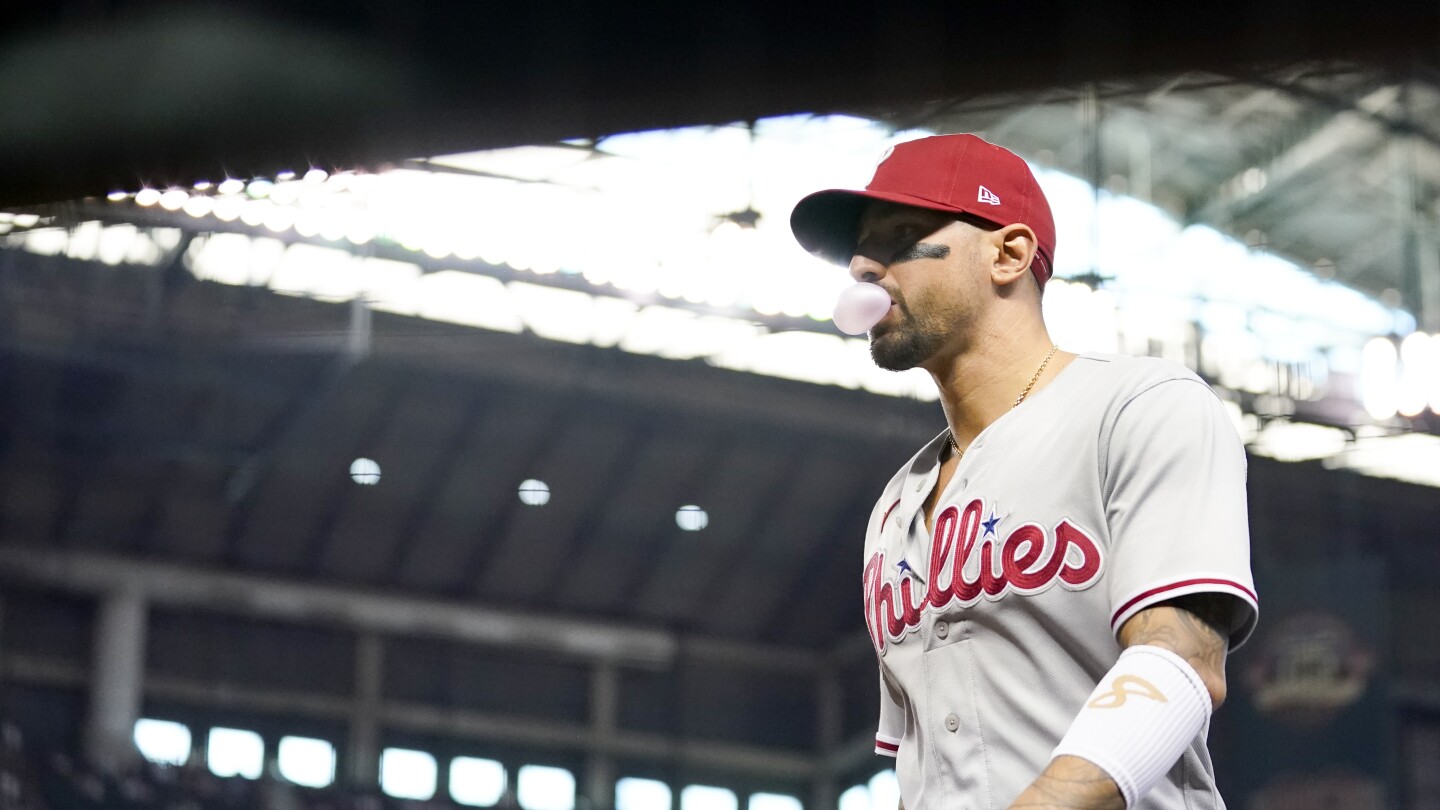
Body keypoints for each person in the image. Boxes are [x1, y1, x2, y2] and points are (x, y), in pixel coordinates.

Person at [789, 134, 1258, 809]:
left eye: (899, 236)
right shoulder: (895, 506)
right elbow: (925, 767)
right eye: (862, 251)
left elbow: (1182, 659)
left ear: (1007, 254)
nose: (863, 266)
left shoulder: (1139, 405)